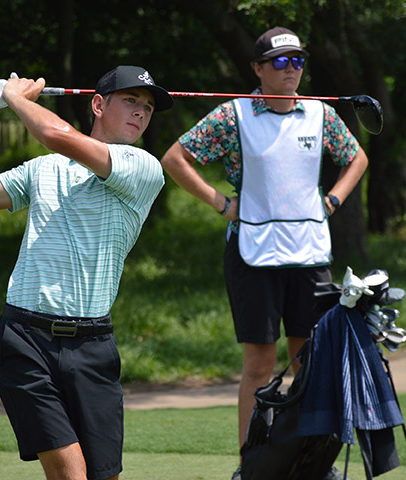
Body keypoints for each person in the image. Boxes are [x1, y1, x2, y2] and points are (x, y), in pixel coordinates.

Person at [0, 65, 173, 480]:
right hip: (25, 341)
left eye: (148, 108)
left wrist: (13, 98)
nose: (141, 113)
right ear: (99, 104)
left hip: (94, 346)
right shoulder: (42, 170)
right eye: (131, 101)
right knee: (70, 474)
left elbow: (56, 134)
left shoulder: (143, 168)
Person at [160, 27, 368, 480]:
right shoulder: (234, 115)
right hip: (253, 253)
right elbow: (175, 158)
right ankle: (251, 465)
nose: (291, 69)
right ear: (257, 69)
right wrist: (220, 203)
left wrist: (331, 201)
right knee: (260, 363)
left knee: (310, 362)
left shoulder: (319, 113)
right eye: (280, 61)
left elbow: (357, 157)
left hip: (310, 253)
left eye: (297, 61)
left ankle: (311, 462)